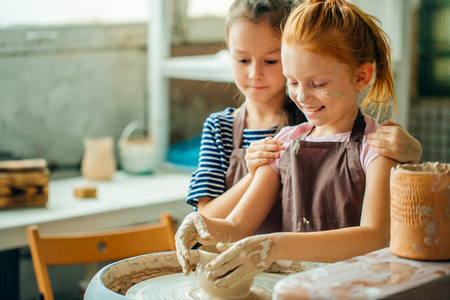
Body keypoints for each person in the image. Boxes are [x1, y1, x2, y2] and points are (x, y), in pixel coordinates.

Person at [176, 0, 405, 288]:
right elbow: (237, 227)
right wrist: (200, 227)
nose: (302, 96)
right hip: (291, 289)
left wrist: (276, 245)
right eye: (292, 81)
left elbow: (375, 236)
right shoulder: (283, 143)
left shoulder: (376, 146)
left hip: (355, 290)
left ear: (361, 76)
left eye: (318, 83)